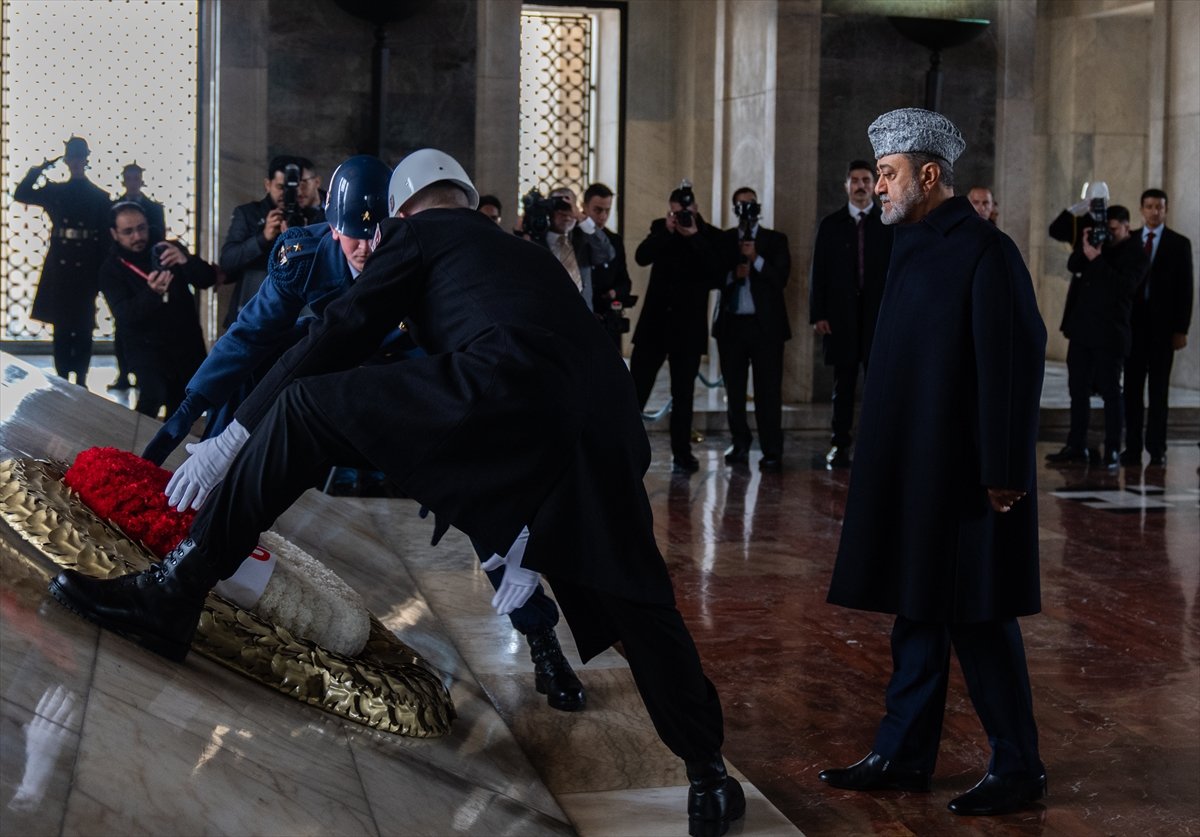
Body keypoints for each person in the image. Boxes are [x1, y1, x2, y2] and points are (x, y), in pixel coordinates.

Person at [49, 148, 744, 837]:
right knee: (640, 599)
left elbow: (338, 332)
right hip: (607, 430)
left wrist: (234, 435)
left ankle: (174, 592)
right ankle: (708, 771)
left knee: (304, 409)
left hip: (504, 392)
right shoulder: (521, 252)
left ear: (404, 209)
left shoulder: (417, 232)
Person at [142, 156, 587, 713]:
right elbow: (251, 335)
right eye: (354, 235)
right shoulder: (303, 257)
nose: (366, 248)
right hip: (326, 396)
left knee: (485, 511)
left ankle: (544, 643)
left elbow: (454, 359)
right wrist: (191, 407)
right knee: (260, 473)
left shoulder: (422, 257)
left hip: (412, 393)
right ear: (333, 228)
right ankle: (181, 586)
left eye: (379, 233)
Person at [818, 109, 1048, 818]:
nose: (877, 187)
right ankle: (903, 752)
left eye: (887, 175)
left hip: (972, 479)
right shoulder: (911, 245)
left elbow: (1014, 359)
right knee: (916, 612)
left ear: (927, 175)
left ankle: (1018, 765)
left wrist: (1006, 466)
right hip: (914, 471)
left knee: (980, 618)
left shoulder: (986, 250)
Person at [629, 182, 723, 473]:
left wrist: (693, 237)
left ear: (695, 209)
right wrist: (666, 232)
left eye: (684, 211)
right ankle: (626, 447)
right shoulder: (661, 227)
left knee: (683, 395)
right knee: (636, 391)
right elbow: (642, 257)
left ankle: (682, 452)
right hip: (655, 325)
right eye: (675, 212)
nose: (680, 216)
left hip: (688, 329)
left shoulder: (710, 235)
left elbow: (716, 275)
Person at [1045, 205, 1145, 467]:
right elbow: (1072, 262)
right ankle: (1076, 444)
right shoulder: (1096, 243)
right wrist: (1086, 245)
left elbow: (1125, 288)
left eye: (1112, 230)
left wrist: (1098, 259)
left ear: (1126, 226)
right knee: (1077, 391)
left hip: (1111, 334)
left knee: (1112, 393)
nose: (1108, 235)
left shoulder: (1136, 252)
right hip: (1081, 331)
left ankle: (1113, 448)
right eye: (1106, 229)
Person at [808, 160, 893, 467]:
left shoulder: (888, 223)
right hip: (840, 318)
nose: (860, 186)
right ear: (846, 185)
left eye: (866, 180)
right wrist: (818, 313)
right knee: (842, 385)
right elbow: (818, 273)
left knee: (877, 384)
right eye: (855, 180)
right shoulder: (831, 225)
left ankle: (875, 444)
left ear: (875, 185)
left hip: (878, 318)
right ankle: (839, 443)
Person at [98, 202, 217, 419]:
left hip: (184, 344)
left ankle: (174, 450)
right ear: (114, 234)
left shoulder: (167, 249)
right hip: (145, 347)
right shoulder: (111, 268)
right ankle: (137, 451)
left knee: (184, 404)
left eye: (141, 228)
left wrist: (186, 260)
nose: (137, 236)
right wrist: (151, 293)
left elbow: (207, 279)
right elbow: (125, 315)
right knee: (154, 395)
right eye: (128, 231)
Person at [13, 136, 111, 387]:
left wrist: (101, 274)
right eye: (72, 158)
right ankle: (63, 376)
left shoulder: (99, 196)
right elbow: (21, 194)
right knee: (62, 323)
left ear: (85, 160)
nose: (76, 163)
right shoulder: (56, 191)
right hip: (60, 265)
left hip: (87, 265)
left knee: (84, 322)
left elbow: (105, 240)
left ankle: (81, 376)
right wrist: (40, 169)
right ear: (67, 161)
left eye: (80, 158)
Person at [713, 187, 791, 472]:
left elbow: (781, 278)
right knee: (734, 391)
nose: (746, 209)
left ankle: (771, 448)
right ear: (734, 209)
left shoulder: (775, 240)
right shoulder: (724, 240)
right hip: (731, 326)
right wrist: (734, 273)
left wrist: (756, 258)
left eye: (751, 204)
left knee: (768, 391)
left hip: (765, 329)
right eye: (741, 205)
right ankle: (740, 442)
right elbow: (712, 276)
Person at [1122, 189, 1194, 467]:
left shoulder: (1179, 244)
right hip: (1133, 329)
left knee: (1159, 391)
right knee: (1131, 390)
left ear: (1165, 210)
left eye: (1159, 207)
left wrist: (1181, 329)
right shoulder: (1130, 243)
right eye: (1149, 206)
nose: (1154, 211)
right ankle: (1132, 447)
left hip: (1164, 331)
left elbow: (1186, 290)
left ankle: (1157, 447)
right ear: (1141, 209)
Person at [218, 155, 324, 328]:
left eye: (294, 187)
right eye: (281, 187)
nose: (288, 194)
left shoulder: (316, 214)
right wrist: (263, 238)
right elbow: (227, 262)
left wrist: (302, 236)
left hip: (303, 312)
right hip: (254, 309)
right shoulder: (248, 214)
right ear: (268, 184)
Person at [109, 162, 168, 391]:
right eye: (129, 178)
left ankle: (152, 374)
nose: (133, 182)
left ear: (141, 180)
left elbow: (160, 236)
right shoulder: (113, 206)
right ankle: (124, 374)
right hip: (123, 270)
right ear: (124, 180)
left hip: (148, 269)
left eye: (136, 178)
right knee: (123, 321)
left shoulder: (154, 208)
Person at [582, 183, 635, 351]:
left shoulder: (614, 241)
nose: (603, 216)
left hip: (607, 315)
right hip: (583, 313)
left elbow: (624, 280)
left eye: (607, 210)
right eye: (598, 210)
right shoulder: (574, 236)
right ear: (584, 207)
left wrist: (615, 292)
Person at [543, 186, 615, 309]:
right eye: (559, 208)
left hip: (581, 313)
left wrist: (580, 216)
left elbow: (606, 254)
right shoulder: (536, 240)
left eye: (569, 207)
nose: (566, 215)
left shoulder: (583, 238)